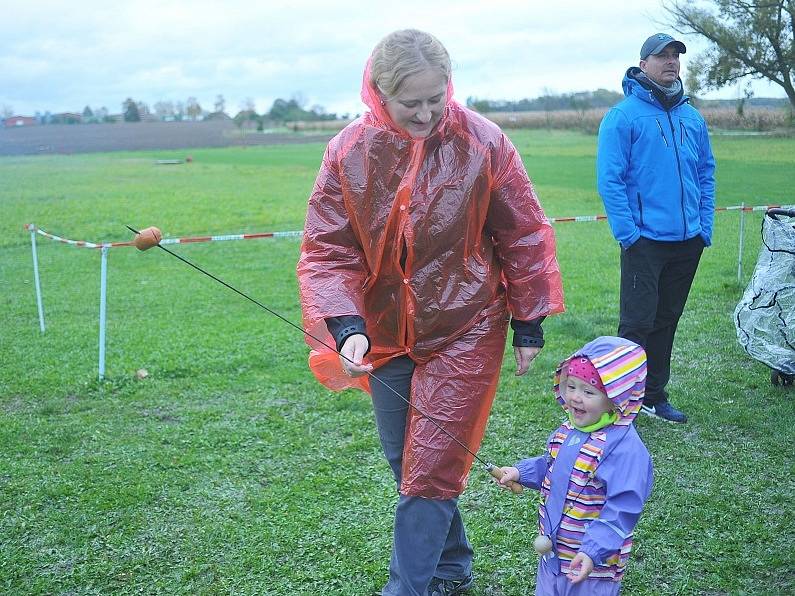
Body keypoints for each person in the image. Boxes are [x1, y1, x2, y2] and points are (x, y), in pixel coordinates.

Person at [297, 29, 564, 596]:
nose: (424, 113)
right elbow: (328, 247)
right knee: (406, 460)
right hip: (385, 331)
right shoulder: (349, 150)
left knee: (430, 467)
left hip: (468, 324)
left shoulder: (483, 143)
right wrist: (347, 325)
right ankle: (451, 566)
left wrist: (529, 319)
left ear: (450, 86)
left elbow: (522, 232)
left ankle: (408, 588)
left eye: (435, 98)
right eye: (410, 102)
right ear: (379, 95)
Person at [596, 33, 716, 423]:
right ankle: (620, 403)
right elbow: (610, 180)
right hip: (644, 241)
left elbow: (706, 173)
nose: (670, 62)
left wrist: (704, 227)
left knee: (667, 320)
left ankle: (653, 395)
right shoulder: (623, 116)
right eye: (660, 56)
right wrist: (629, 234)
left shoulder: (691, 116)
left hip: (687, 241)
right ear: (643, 64)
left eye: (675, 56)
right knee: (636, 325)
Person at [496, 336, 653, 595]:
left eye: (588, 391)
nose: (575, 398)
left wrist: (593, 551)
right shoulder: (569, 430)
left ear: (616, 397)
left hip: (592, 567)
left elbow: (623, 509)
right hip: (555, 555)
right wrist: (519, 472)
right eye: (571, 386)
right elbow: (553, 466)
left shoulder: (626, 450)